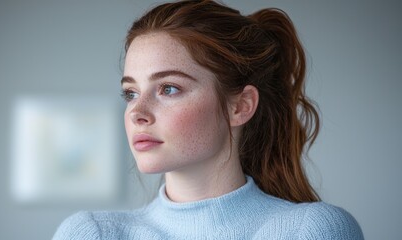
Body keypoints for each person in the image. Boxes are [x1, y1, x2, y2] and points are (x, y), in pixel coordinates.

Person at [53, 0, 364, 239]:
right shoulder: (92, 233)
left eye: (168, 88)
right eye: (131, 93)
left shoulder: (312, 231)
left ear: (240, 106)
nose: (137, 112)